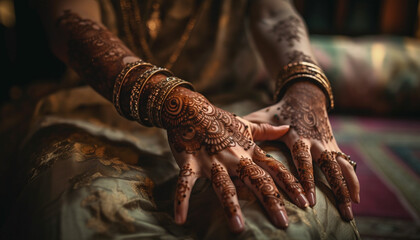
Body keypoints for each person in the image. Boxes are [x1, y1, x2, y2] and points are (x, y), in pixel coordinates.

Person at [4, 0, 360, 239]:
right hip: (93, 109)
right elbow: (68, 21)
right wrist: (180, 106)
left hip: (237, 114)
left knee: (291, 216)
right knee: (83, 218)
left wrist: (305, 89)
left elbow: (275, 12)